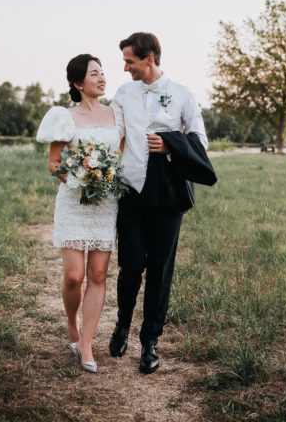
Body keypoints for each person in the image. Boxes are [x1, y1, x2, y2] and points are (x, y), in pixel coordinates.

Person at [109, 32, 215, 374]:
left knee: (160, 269)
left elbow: (200, 139)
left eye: (130, 61)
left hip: (167, 193)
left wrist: (171, 144)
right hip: (131, 190)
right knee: (129, 266)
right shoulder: (124, 93)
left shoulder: (183, 94)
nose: (125, 68)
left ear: (149, 59)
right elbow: (114, 134)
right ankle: (122, 325)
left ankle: (149, 342)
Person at [36, 54, 124, 373]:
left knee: (98, 275)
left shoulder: (117, 115)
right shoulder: (65, 117)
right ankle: (72, 326)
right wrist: (82, 178)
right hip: (74, 201)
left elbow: (120, 156)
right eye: (94, 74)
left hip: (105, 204)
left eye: (103, 73)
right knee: (74, 276)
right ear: (77, 83)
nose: (101, 78)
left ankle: (86, 343)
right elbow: (54, 163)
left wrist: (106, 177)